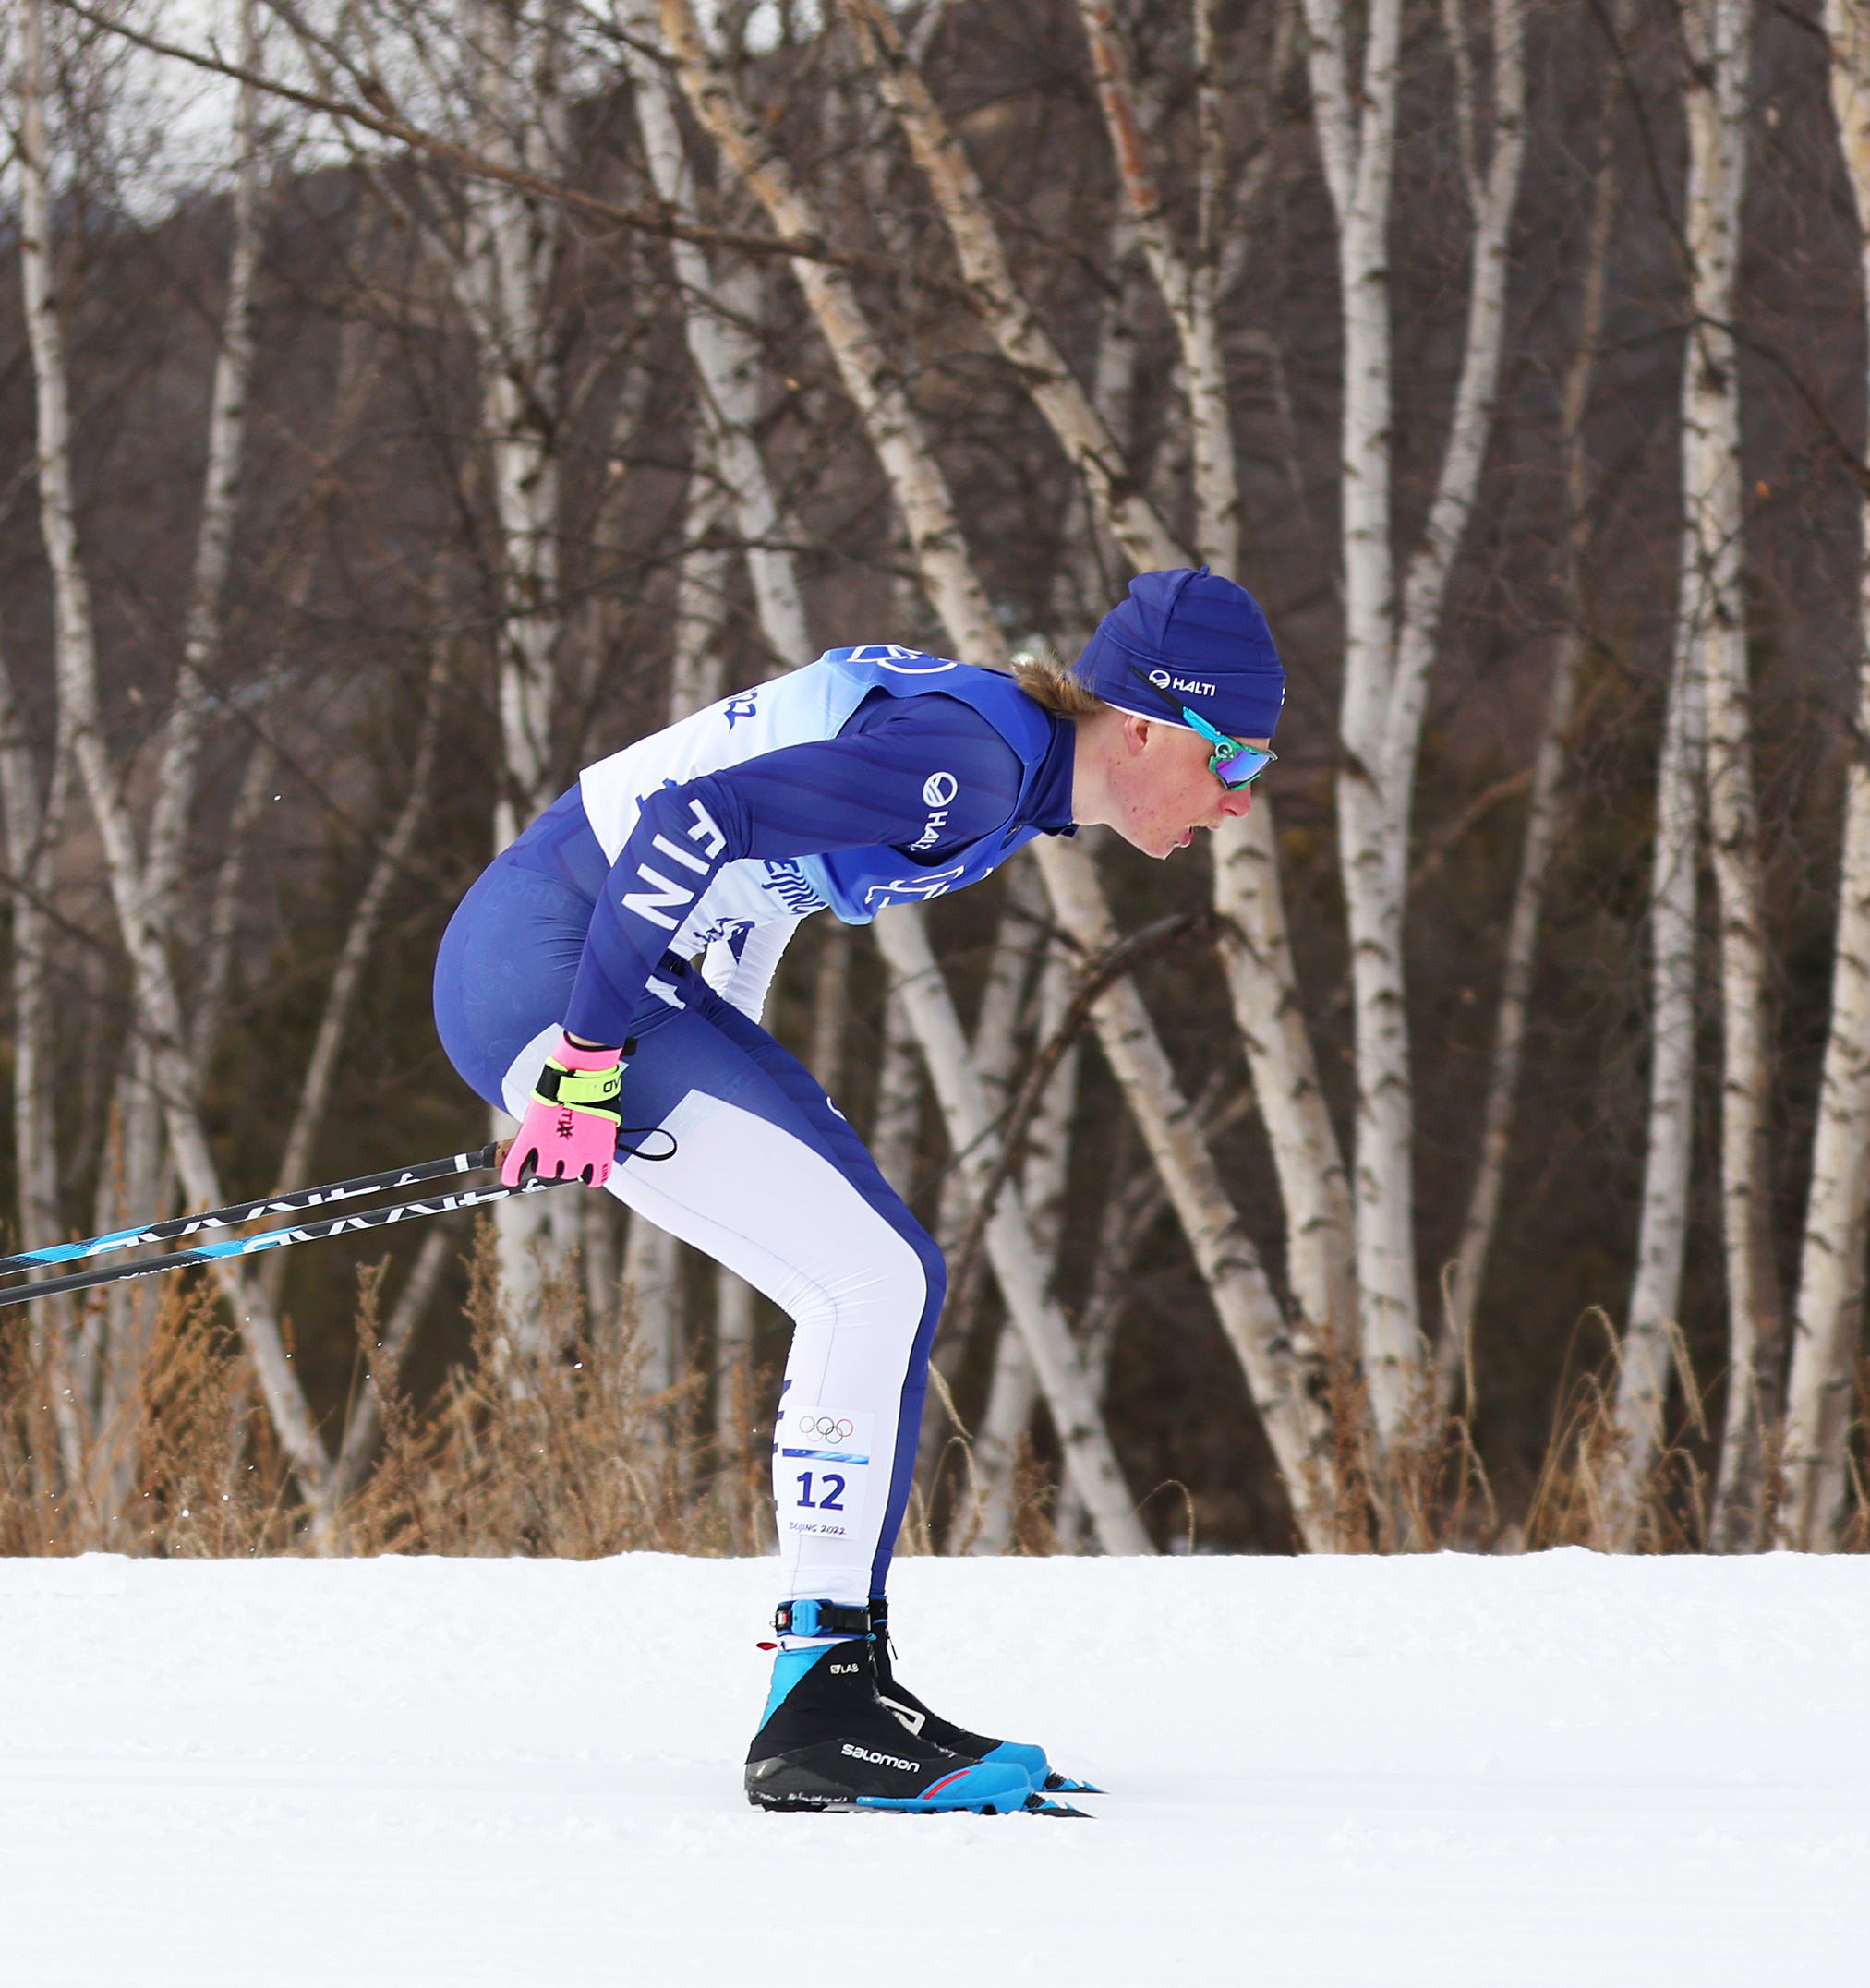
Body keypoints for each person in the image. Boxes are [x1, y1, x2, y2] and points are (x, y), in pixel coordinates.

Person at [429, 567, 1284, 1813]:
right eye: (1234, 762)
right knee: (873, 1276)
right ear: (1150, 721)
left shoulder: (1008, 768)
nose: (1239, 803)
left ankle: (845, 1678)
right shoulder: (973, 764)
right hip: (554, 962)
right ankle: (820, 1697)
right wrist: (590, 1057)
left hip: (588, 966)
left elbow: (756, 882)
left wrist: (706, 1078)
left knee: (872, 1269)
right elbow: (684, 825)